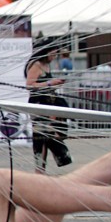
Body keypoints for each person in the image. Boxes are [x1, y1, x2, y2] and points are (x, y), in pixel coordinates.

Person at [27, 43, 72, 172]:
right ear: (45, 52)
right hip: (38, 104)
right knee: (41, 137)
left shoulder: (46, 65)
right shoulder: (36, 65)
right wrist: (49, 83)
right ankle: (40, 168)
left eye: (55, 54)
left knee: (50, 134)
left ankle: (48, 165)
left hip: (49, 103)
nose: (53, 57)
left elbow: (45, 85)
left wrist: (55, 84)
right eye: (52, 54)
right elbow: (29, 85)